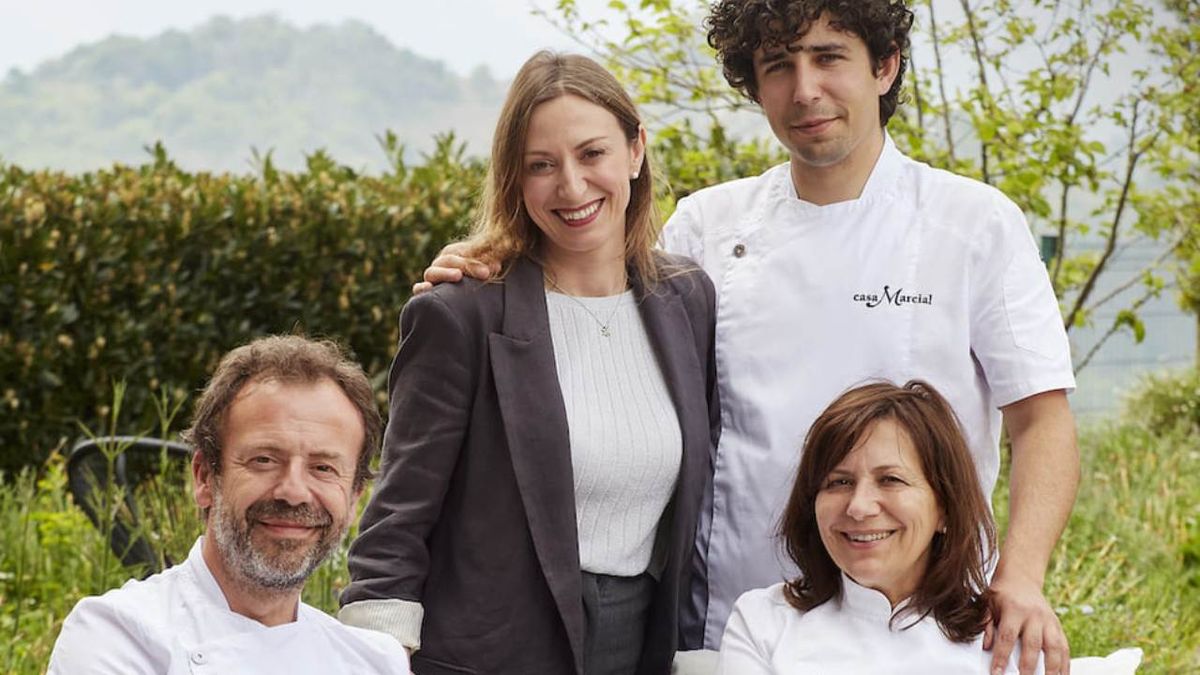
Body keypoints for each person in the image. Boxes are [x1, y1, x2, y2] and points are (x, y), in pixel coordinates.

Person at [415, 2, 1078, 673]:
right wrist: (494, 261)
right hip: (726, 624)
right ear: (753, 84)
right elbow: (592, 296)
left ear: (885, 66)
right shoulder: (706, 226)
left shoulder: (974, 225)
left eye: (828, 57)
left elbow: (1042, 421)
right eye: (778, 66)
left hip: (925, 621)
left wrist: (1021, 578)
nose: (804, 89)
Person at [338, 51, 720, 675]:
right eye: (541, 165)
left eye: (592, 153)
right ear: (514, 179)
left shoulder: (687, 300)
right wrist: (378, 654)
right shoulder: (461, 314)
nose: (571, 186)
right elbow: (397, 519)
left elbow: (698, 511)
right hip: (492, 651)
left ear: (635, 150)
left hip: (640, 647)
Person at [48, 335, 411, 675]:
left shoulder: (375, 661)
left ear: (354, 497)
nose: (293, 492)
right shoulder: (115, 635)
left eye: (323, 468)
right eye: (264, 460)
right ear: (205, 477)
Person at [716, 380, 1037, 674]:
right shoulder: (764, 624)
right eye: (839, 482)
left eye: (890, 480)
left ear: (944, 508)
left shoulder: (1007, 640)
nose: (859, 507)